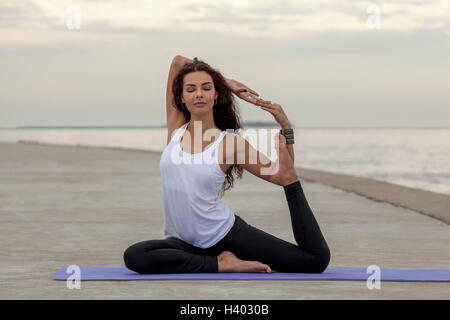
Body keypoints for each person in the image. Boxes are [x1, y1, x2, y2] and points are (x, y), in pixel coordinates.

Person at [123, 56, 330, 273]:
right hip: (184, 243)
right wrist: (225, 80)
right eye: (191, 89)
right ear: (182, 98)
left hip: (224, 235)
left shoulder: (230, 143)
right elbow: (177, 62)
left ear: (216, 95)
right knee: (135, 256)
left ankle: (220, 261)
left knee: (315, 261)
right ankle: (221, 264)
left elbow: (282, 174)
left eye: (207, 88)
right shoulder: (176, 129)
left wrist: (286, 128)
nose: (199, 94)